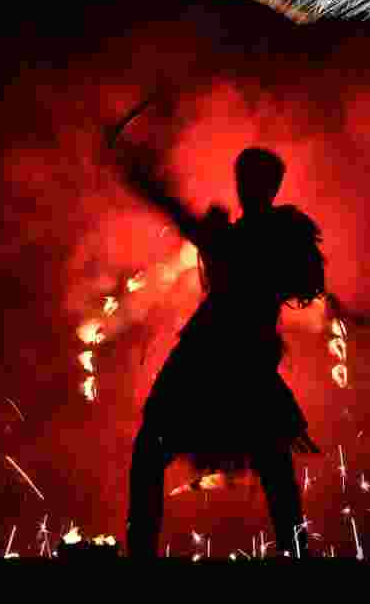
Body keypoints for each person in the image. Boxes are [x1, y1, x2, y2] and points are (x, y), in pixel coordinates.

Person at [111, 133, 326, 559]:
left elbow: (305, 281)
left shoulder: (271, 234)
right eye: (243, 177)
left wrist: (143, 178)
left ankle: (142, 556)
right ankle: (295, 554)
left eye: (251, 178)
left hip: (228, 355)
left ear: (265, 186)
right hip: (221, 353)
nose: (245, 184)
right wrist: (142, 178)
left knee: (266, 458)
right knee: (263, 458)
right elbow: (181, 217)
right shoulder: (247, 234)